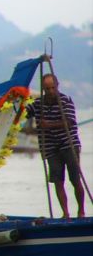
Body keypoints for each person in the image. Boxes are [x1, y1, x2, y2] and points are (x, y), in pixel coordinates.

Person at [27, 74, 85, 217]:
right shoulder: (38, 103)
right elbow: (24, 113)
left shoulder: (65, 101)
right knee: (58, 181)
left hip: (68, 144)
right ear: (43, 89)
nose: (51, 91)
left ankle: (81, 211)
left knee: (75, 179)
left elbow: (69, 122)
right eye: (47, 89)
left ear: (57, 86)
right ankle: (65, 213)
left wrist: (49, 125)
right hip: (51, 147)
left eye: (53, 88)